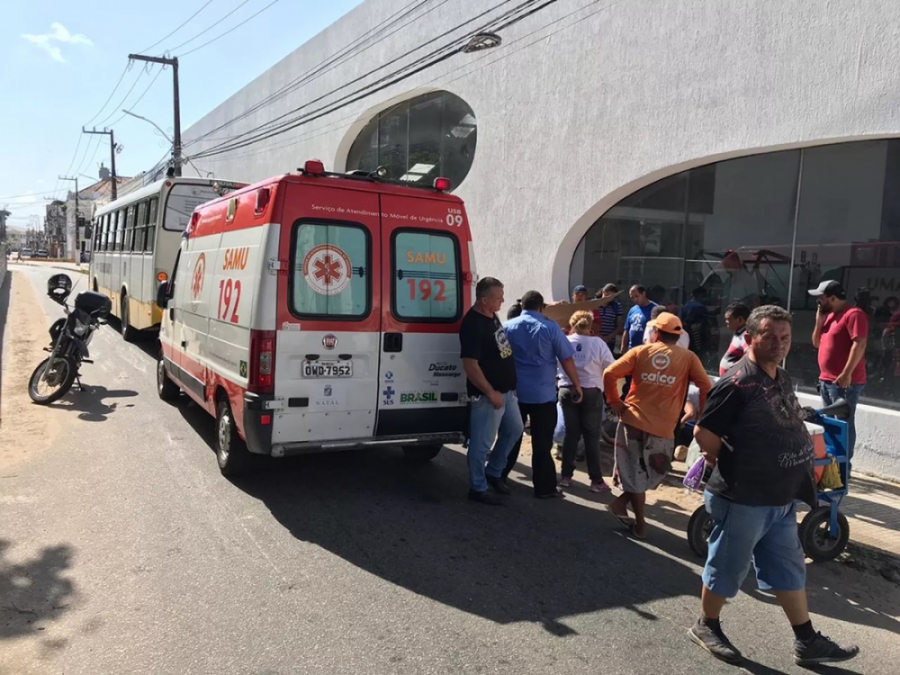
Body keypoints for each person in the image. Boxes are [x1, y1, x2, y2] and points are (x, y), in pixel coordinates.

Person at [689, 305, 860, 666]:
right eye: (770, 337)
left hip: (781, 496)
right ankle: (706, 624)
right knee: (727, 566)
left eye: (785, 337)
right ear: (750, 337)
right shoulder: (736, 382)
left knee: (788, 567)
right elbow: (704, 431)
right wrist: (734, 461)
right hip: (744, 496)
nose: (780, 344)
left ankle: (806, 640)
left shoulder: (778, 377)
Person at [603, 312, 712, 538]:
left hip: (631, 421)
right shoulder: (689, 358)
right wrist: (703, 414)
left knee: (638, 473)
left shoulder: (640, 351)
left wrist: (615, 402)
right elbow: (706, 386)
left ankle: (621, 505)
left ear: (655, 332)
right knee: (655, 471)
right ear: (678, 335)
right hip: (662, 428)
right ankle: (640, 523)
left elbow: (609, 373)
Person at [502, 291, 583, 498]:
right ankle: (544, 488)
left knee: (510, 437)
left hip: (514, 393)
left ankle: (498, 477)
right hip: (542, 395)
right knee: (542, 443)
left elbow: (499, 358)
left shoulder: (507, 326)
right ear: (541, 307)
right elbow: (566, 359)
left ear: (523, 306)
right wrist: (576, 384)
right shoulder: (550, 327)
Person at [459, 277, 524, 506]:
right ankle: (477, 487)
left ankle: (493, 472)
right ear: (484, 300)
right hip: (489, 396)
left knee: (515, 430)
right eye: (498, 297)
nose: (503, 300)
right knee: (481, 443)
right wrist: (490, 392)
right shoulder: (473, 324)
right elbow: (470, 364)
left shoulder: (491, 315)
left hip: (506, 391)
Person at [558, 311, 615, 492]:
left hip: (567, 390)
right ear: (591, 325)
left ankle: (566, 476)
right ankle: (596, 481)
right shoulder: (598, 343)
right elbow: (611, 366)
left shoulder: (564, 341)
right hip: (591, 391)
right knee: (592, 436)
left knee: (571, 434)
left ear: (572, 323)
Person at [810, 280, 867, 459]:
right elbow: (816, 343)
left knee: (843, 423)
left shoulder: (853, 314)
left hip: (843, 382)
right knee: (828, 422)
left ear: (832, 298)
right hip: (826, 380)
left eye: (821, 298)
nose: (818, 301)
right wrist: (819, 322)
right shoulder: (829, 316)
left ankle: (844, 466)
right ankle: (832, 462)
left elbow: (860, 343)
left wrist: (847, 373)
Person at [621, 285, 657, 354]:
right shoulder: (632, 310)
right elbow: (627, 329)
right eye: (632, 298)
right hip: (632, 350)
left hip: (647, 350)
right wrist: (623, 346)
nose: (635, 299)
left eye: (637, 296)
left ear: (643, 294)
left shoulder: (655, 309)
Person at [718, 302, 750, 375]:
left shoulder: (745, 335)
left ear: (740, 319)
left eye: (728, 319)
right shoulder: (739, 333)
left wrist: (734, 369)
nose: (726, 322)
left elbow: (750, 355)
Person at [680, 287, 711, 356]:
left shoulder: (685, 306)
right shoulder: (700, 307)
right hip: (696, 335)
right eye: (704, 296)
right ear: (699, 295)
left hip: (686, 334)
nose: (705, 299)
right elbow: (705, 323)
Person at [594, 284, 624, 352]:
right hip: (594, 339)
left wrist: (609, 337)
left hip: (609, 341)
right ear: (603, 292)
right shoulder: (593, 304)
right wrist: (599, 336)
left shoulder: (617, 306)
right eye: (606, 294)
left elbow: (619, 325)